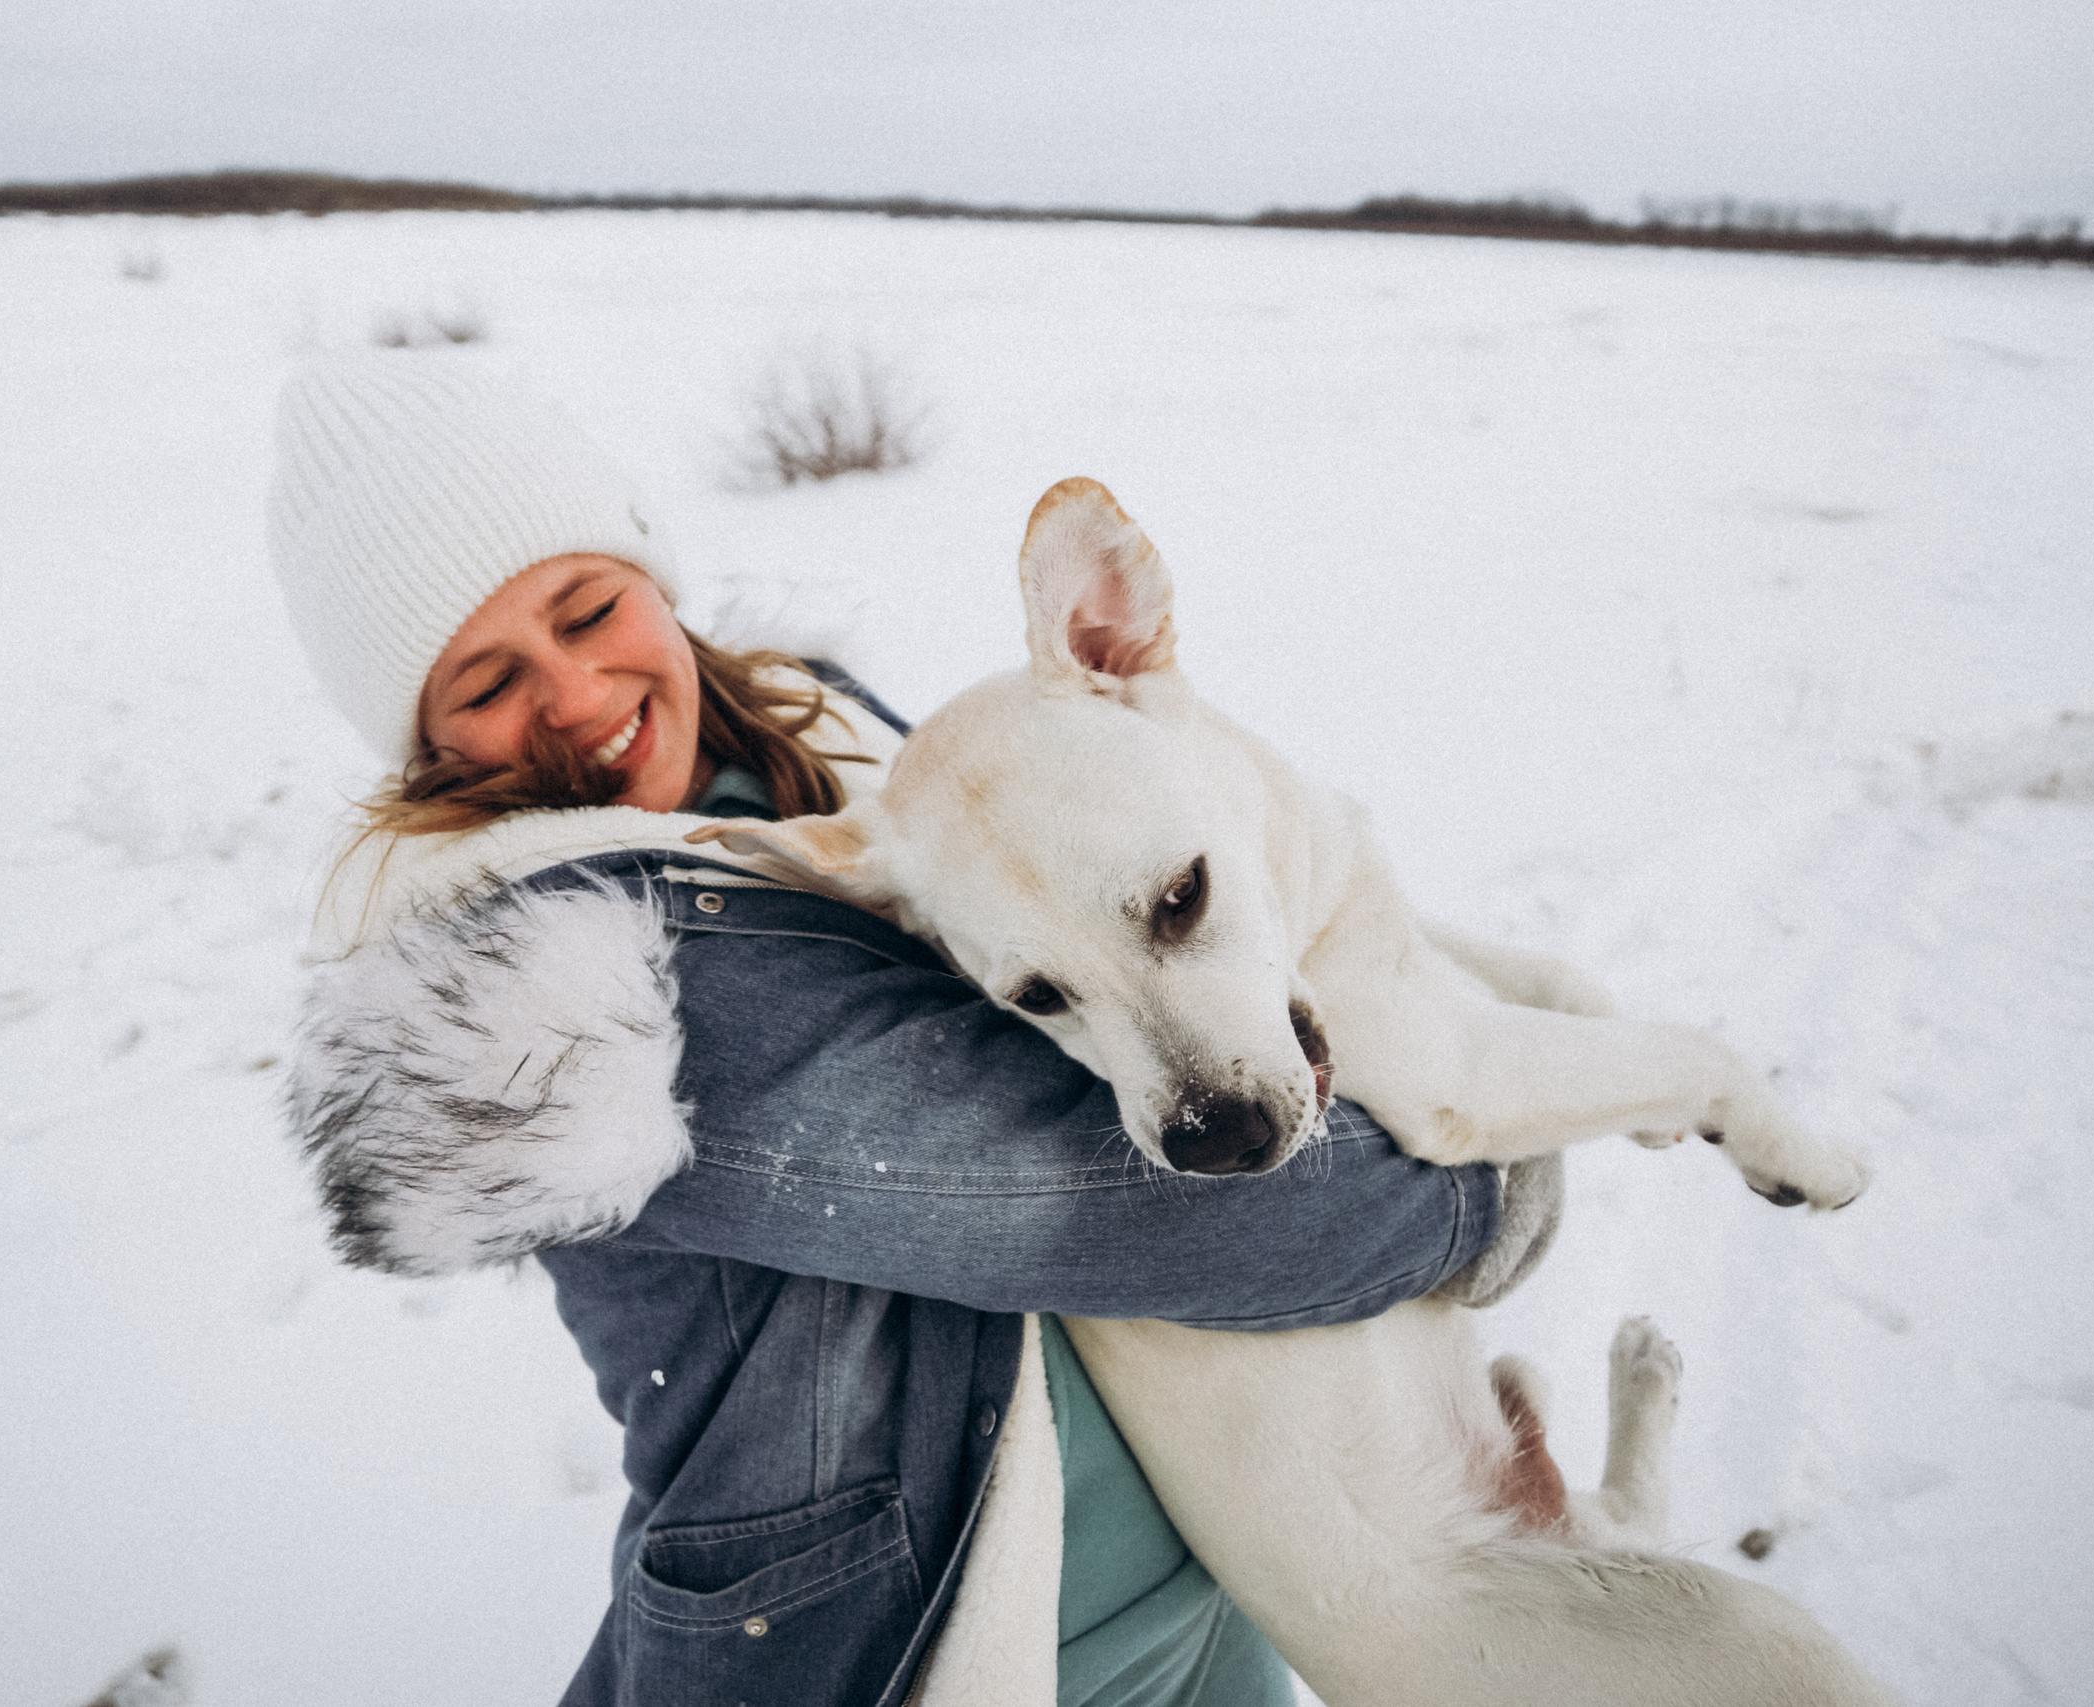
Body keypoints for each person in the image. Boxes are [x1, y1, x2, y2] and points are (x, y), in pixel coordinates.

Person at [266, 356, 1552, 1707]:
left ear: (649, 574)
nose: (578, 696)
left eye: (588, 608)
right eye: (485, 685)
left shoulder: (834, 763)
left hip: (1200, 1566)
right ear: (425, 743)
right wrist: (1487, 1160)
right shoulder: (580, 981)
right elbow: (1150, 1206)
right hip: (946, 1652)